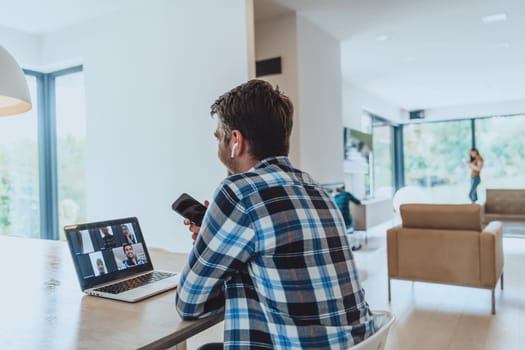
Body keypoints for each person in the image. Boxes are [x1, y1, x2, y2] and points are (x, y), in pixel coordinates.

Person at [175, 80, 373, 349]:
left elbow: (189, 303)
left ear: (236, 140)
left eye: (219, 135)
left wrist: (207, 243)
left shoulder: (238, 193)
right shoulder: (316, 189)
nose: (217, 140)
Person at [333, 185, 362, 251]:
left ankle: (346, 246)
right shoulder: (347, 194)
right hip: (346, 219)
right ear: (344, 189)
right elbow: (358, 202)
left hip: (338, 220)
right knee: (351, 232)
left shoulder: (334, 197)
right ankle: (356, 245)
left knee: (344, 232)